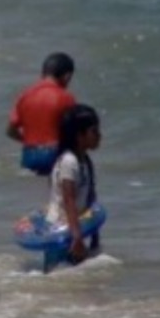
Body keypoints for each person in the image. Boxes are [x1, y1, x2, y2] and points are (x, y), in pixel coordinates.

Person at [44, 103, 101, 271]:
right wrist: (76, 238)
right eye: (94, 131)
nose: (99, 136)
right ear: (79, 136)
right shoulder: (69, 162)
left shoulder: (85, 161)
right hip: (61, 232)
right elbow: (69, 199)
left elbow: (89, 199)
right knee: (57, 277)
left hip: (74, 227)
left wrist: (94, 235)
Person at [6, 52, 76, 176]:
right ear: (67, 76)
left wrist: (27, 140)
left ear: (43, 73)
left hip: (29, 155)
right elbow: (74, 132)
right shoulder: (66, 98)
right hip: (55, 154)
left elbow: (10, 131)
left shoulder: (25, 95)